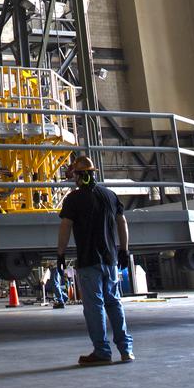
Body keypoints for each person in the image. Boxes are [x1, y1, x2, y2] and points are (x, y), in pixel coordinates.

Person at [57, 154, 134, 366]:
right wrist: (124, 250)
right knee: (114, 303)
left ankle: (102, 352)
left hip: (89, 261)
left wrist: (60, 254)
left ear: (79, 176)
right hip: (110, 260)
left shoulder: (73, 199)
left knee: (94, 307)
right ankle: (126, 350)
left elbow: (65, 227)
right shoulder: (110, 195)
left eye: (75, 175)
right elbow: (122, 222)